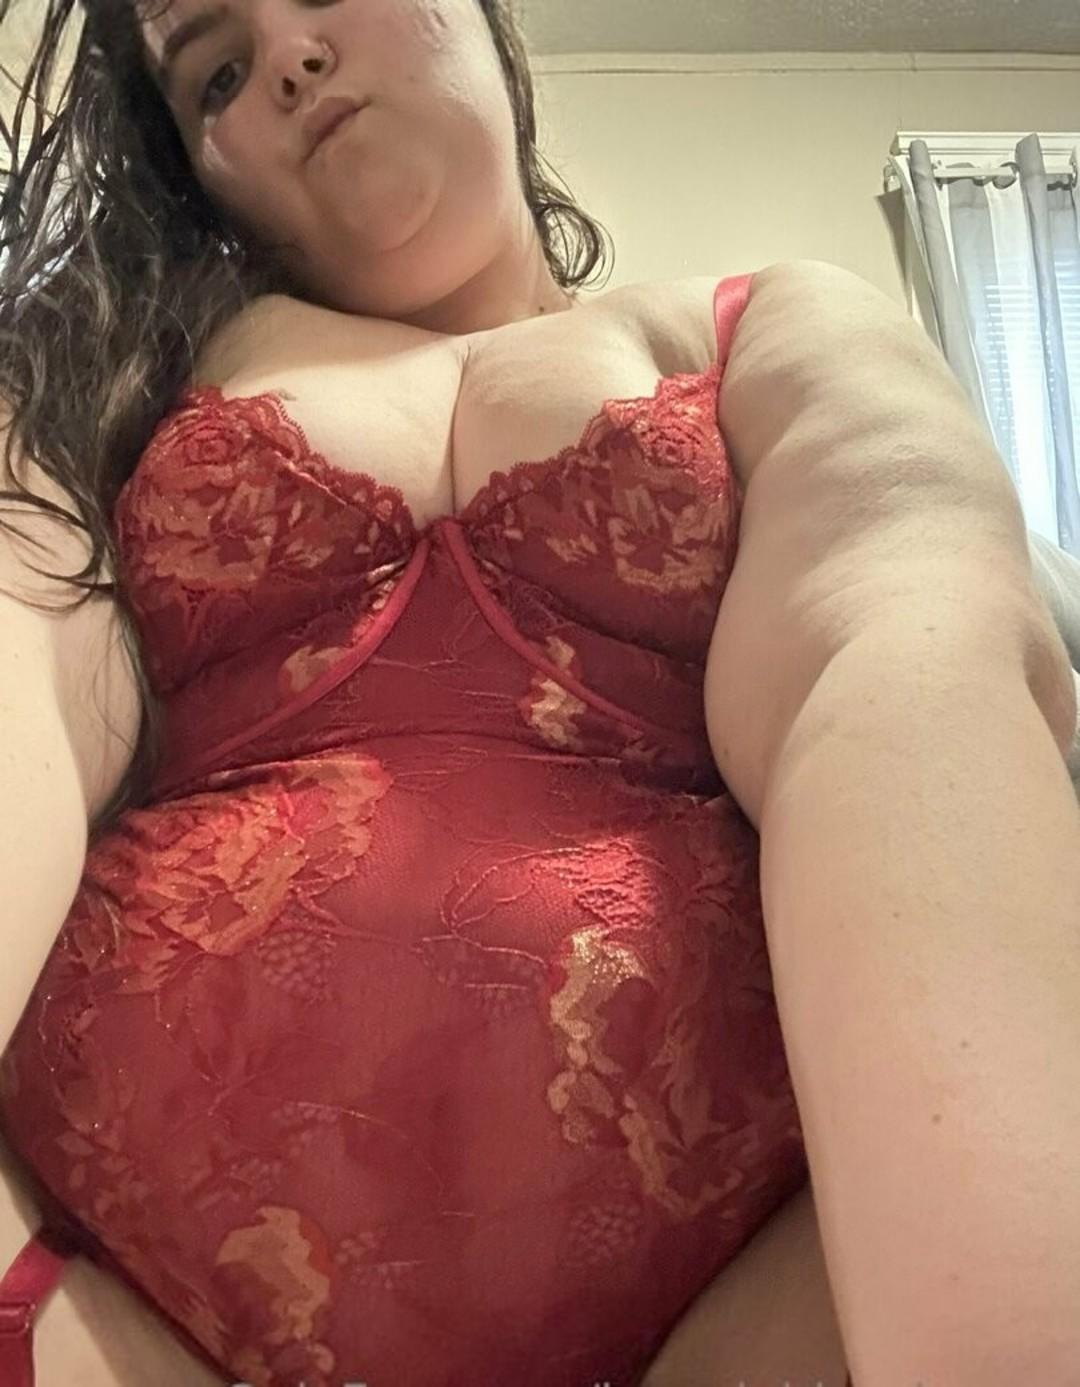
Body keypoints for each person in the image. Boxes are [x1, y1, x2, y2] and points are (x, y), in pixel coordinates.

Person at [0, 2, 1076, 1386]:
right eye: (216, 73)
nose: (285, 60)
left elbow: (891, 663)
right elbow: (20, 684)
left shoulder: (764, 327)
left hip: (763, 1318)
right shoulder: (103, 392)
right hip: (109, 1330)